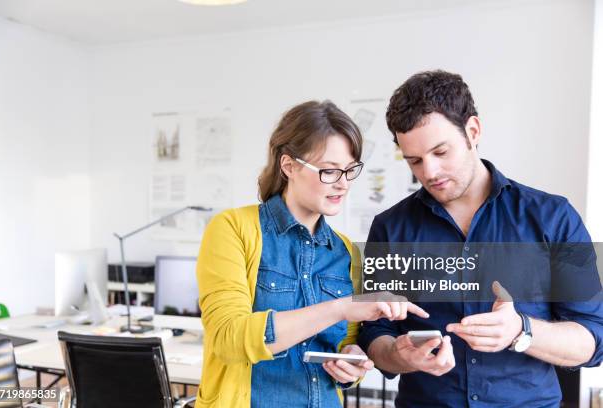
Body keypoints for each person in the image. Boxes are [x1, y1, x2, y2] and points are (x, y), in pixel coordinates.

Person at [358, 70, 603, 407]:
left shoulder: (553, 217)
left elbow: (592, 339)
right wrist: (399, 356)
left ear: (473, 131)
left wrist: (522, 330)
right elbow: (373, 331)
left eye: (440, 152)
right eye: (414, 160)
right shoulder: (389, 228)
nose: (428, 172)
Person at [195, 100, 428, 408]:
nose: (343, 184)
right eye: (330, 171)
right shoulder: (233, 229)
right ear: (289, 165)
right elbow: (228, 338)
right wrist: (339, 308)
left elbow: (344, 345)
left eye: (350, 170)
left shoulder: (346, 252)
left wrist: (351, 364)